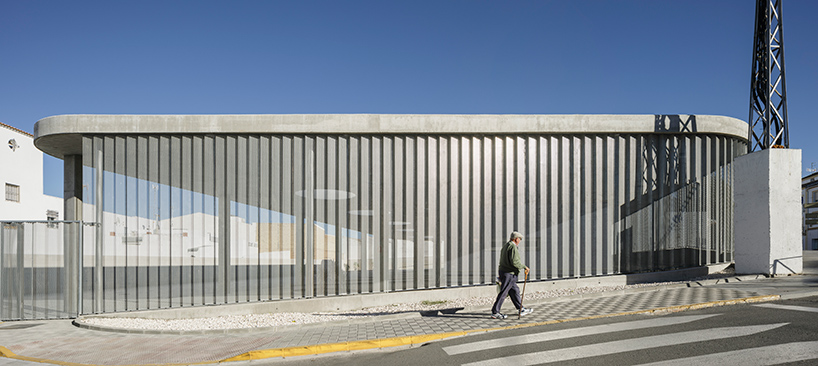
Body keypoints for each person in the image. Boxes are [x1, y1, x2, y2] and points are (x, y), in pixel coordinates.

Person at [490, 231, 533, 319]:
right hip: (509, 274)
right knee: (504, 292)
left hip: (505, 272)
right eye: (520, 239)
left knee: (515, 291)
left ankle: (520, 309)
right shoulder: (513, 247)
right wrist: (524, 267)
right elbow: (515, 262)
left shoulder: (506, 245)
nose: (520, 241)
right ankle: (495, 312)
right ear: (516, 239)